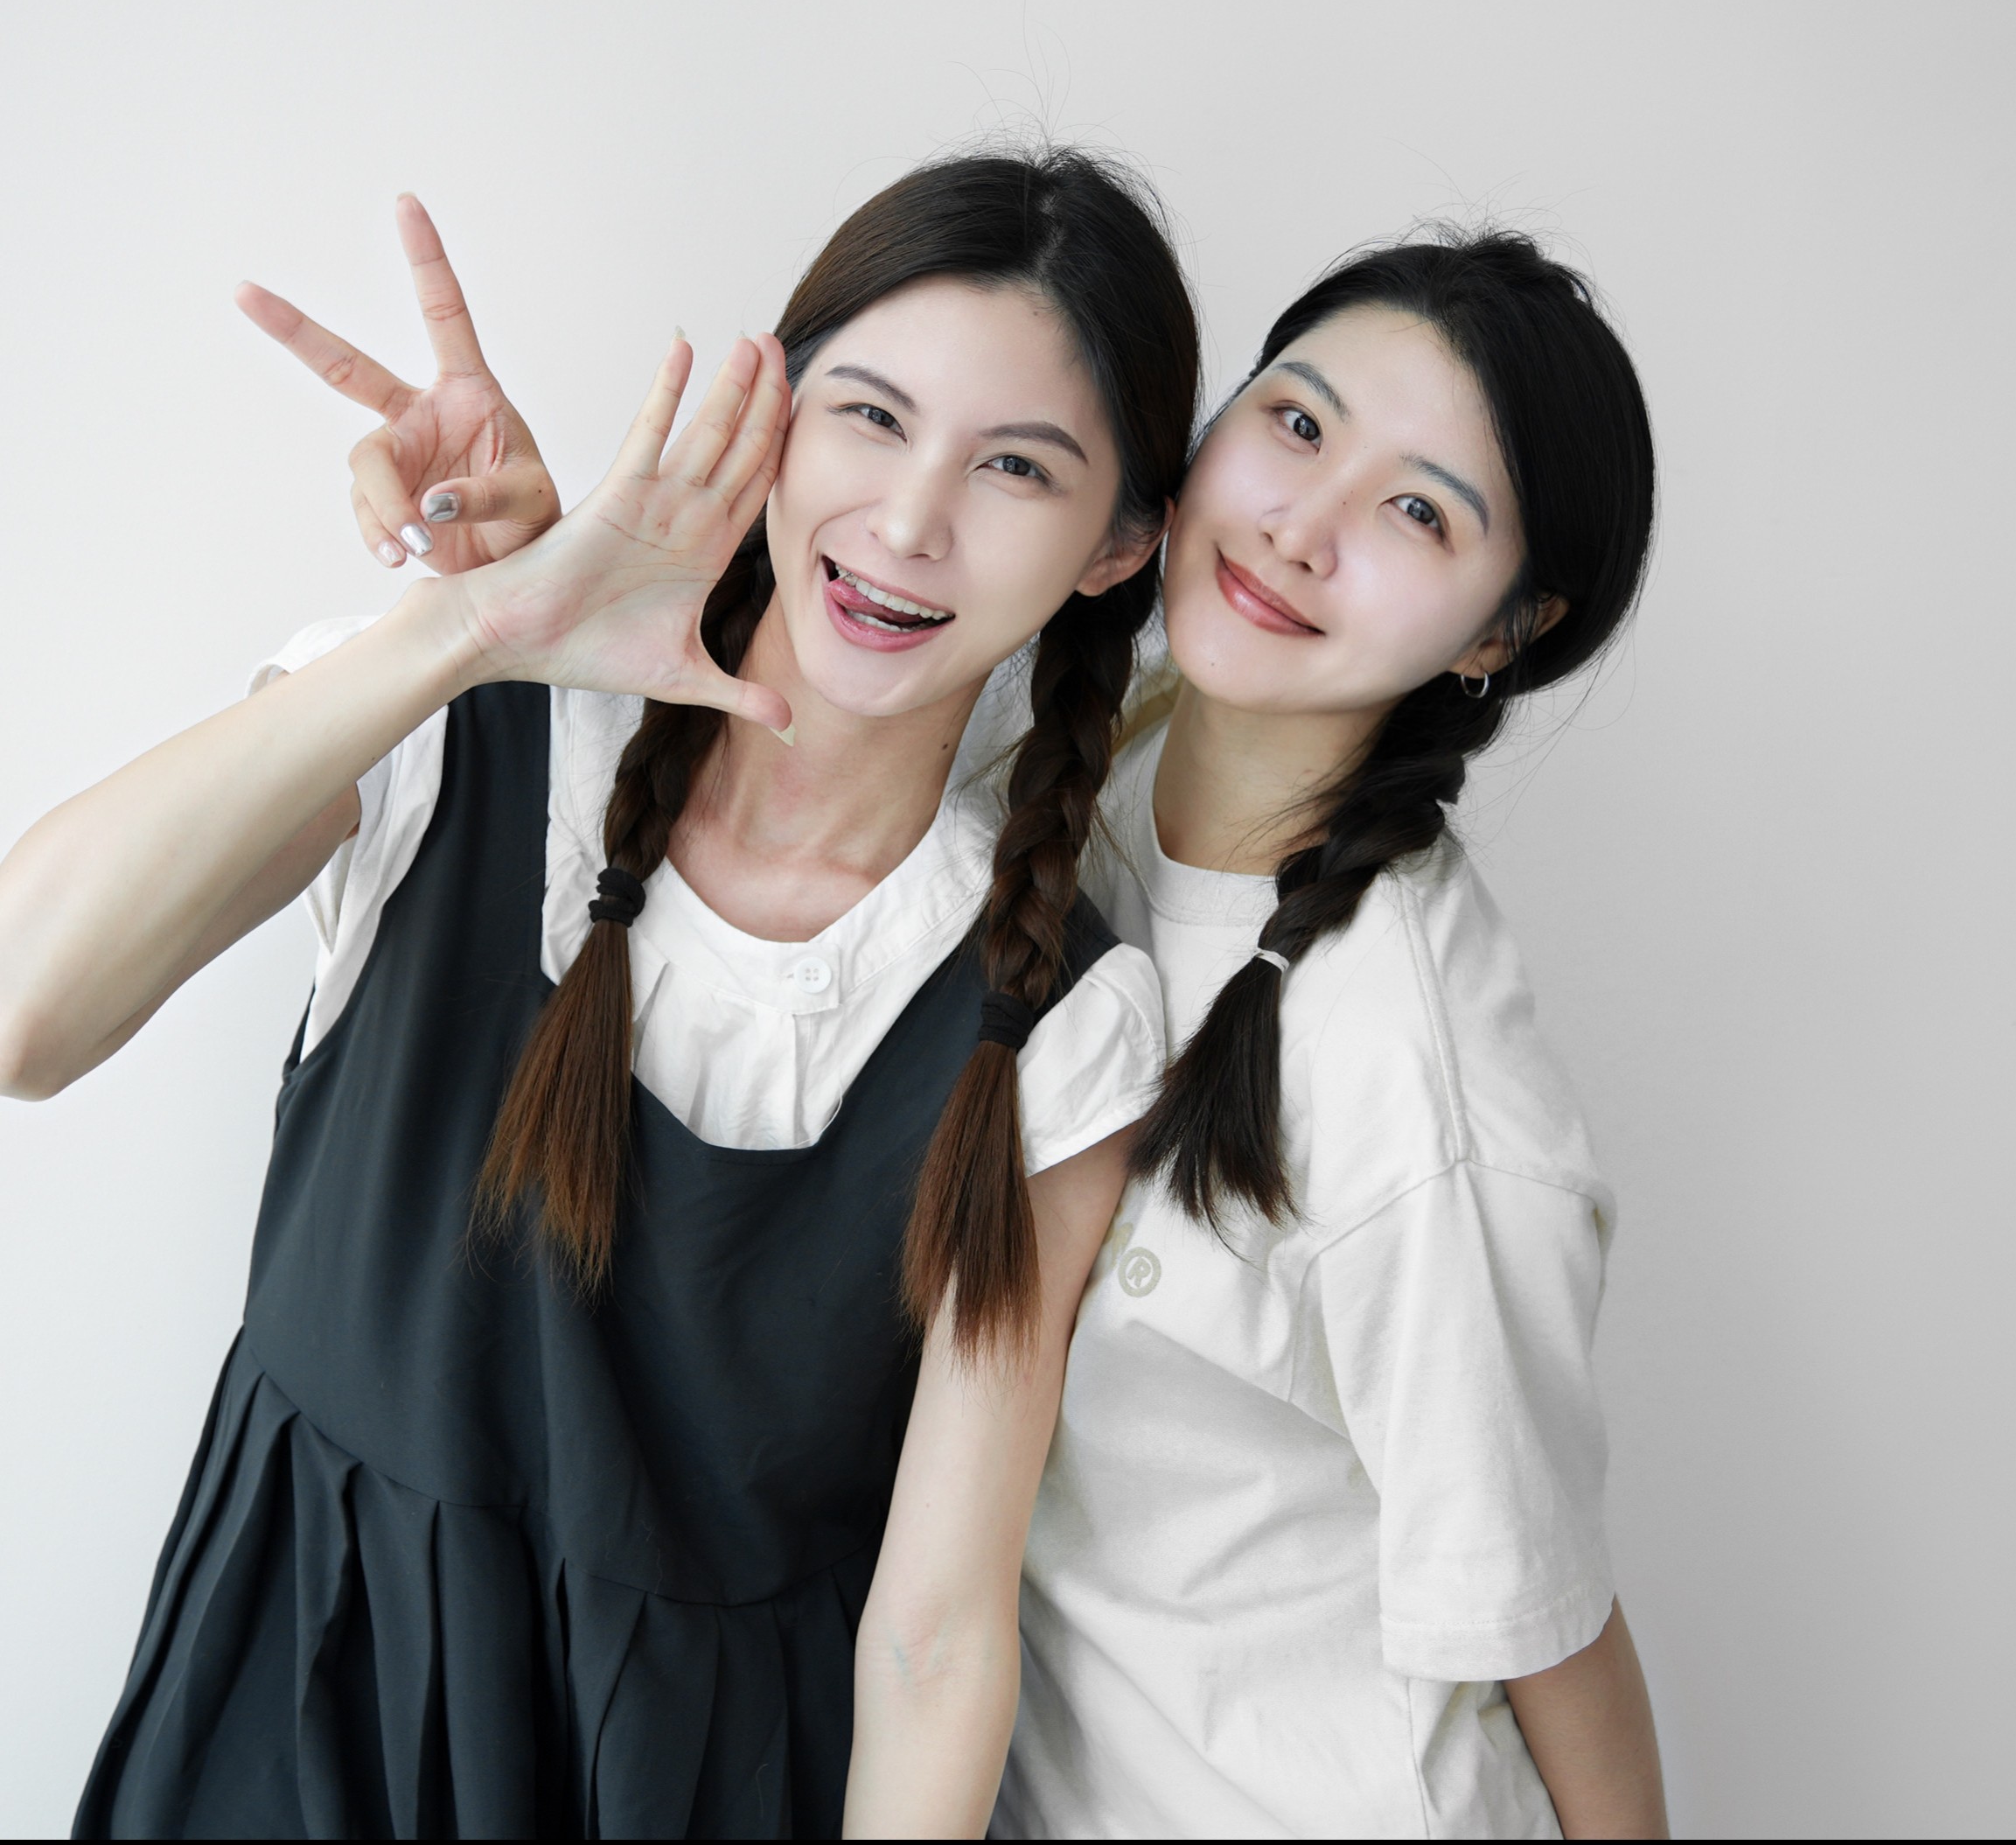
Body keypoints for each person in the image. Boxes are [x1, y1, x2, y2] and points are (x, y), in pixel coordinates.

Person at [0, 149, 1199, 1838]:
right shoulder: (472, 733)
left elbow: (934, 1639)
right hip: (294, 1734)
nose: (908, 522)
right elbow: (26, 1014)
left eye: (1015, 466)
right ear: (770, 416)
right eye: (868, 417)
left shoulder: (1050, 1012)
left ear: (1116, 546)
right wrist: (466, 633)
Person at [992, 234, 1669, 1839]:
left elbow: (1549, 1634)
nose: (1301, 529)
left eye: (1418, 512)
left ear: (1501, 631)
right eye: (1296, 424)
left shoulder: (1419, 1098)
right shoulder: (1071, 766)